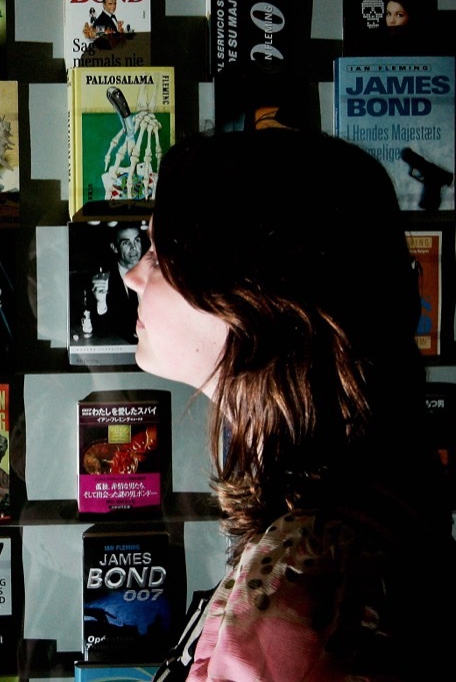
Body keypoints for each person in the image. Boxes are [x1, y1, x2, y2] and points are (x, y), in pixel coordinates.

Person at [120, 129, 455, 680]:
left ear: (248, 296)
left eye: (160, 255)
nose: (134, 277)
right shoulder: (342, 531)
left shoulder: (307, 579)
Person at [86, 222, 145, 343]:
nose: (134, 247)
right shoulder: (103, 280)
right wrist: (101, 302)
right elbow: (102, 332)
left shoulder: (154, 274)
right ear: (114, 247)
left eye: (137, 240)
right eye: (126, 243)